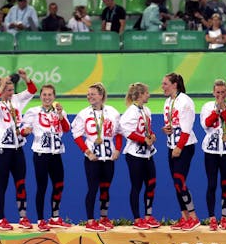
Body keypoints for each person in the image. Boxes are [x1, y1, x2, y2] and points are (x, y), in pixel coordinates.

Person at [0, 69, 37, 231]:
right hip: (2, 149)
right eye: (7, 89)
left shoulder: (16, 100)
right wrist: (0, 87)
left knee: (20, 182)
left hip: (17, 148)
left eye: (12, 89)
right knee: (2, 184)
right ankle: (1, 219)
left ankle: (23, 217)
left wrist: (25, 78)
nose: (11, 92)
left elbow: (32, 90)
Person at [71, 83, 123, 232]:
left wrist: (118, 149)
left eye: (93, 94)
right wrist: (87, 152)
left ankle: (104, 218)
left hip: (108, 157)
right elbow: (76, 135)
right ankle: (90, 221)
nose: (90, 96)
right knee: (93, 188)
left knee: (106, 188)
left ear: (101, 96)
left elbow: (119, 132)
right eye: (88, 94)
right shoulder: (83, 113)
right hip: (93, 158)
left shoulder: (112, 112)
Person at [22, 84, 72, 232]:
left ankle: (55, 218)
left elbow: (67, 129)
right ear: (40, 96)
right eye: (44, 94)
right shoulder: (33, 112)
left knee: (58, 185)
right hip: (41, 154)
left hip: (56, 154)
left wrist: (61, 114)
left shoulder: (59, 112)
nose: (47, 97)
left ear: (54, 97)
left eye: (50, 95)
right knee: (42, 187)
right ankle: (40, 220)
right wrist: (25, 131)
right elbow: (23, 130)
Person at [161, 73, 200, 231]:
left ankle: (194, 217)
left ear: (175, 84)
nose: (162, 87)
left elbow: (187, 127)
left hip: (184, 146)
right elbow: (172, 124)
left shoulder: (185, 101)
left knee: (179, 181)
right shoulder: (168, 101)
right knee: (176, 184)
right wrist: (166, 130)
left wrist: (179, 147)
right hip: (172, 145)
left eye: (165, 84)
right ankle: (185, 218)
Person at [120, 82, 159, 231]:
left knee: (152, 183)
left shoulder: (146, 110)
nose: (149, 95)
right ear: (141, 95)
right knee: (137, 186)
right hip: (134, 154)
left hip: (148, 153)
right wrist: (143, 139)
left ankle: (148, 216)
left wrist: (152, 135)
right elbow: (126, 131)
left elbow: (146, 129)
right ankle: (137, 219)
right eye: (147, 93)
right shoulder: (131, 111)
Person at [200, 79, 226, 231]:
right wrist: (217, 112)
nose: (220, 95)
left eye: (223, 92)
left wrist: (224, 110)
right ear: (213, 93)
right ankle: (212, 218)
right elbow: (205, 124)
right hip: (211, 150)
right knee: (212, 184)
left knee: (225, 184)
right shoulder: (207, 106)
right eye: (217, 92)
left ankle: (225, 217)